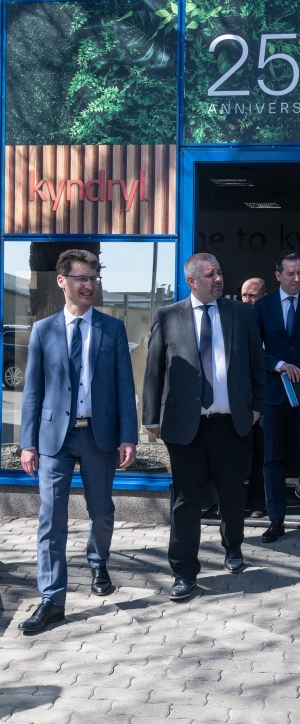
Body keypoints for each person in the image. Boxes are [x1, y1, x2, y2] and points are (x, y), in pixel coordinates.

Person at [18, 249, 138, 634]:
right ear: (62, 281)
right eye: (81, 278)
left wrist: (128, 436)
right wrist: (28, 442)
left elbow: (124, 386)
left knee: (101, 511)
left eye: (93, 279)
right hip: (55, 437)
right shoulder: (43, 330)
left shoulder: (112, 329)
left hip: (99, 436)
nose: (89, 286)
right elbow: (33, 391)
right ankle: (52, 599)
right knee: (50, 518)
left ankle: (98, 562)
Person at [142, 253, 265, 601]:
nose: (219, 279)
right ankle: (184, 572)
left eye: (220, 272)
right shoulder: (168, 316)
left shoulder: (240, 313)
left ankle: (233, 547)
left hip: (230, 424)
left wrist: (256, 407)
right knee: (186, 500)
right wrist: (151, 417)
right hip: (185, 427)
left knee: (232, 492)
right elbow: (154, 370)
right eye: (211, 274)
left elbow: (256, 364)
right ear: (192, 281)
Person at [254, 251, 300, 543]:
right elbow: (253, 348)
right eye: (291, 274)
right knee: (273, 458)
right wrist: (278, 364)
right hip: (274, 395)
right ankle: (276, 520)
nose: (297, 279)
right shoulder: (263, 306)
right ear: (278, 276)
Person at [241, 277, 268, 518]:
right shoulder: (233, 320)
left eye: (253, 296)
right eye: (244, 296)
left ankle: (258, 503)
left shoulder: (270, 321)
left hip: (264, 399)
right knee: (237, 454)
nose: (247, 300)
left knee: (261, 452)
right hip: (237, 399)